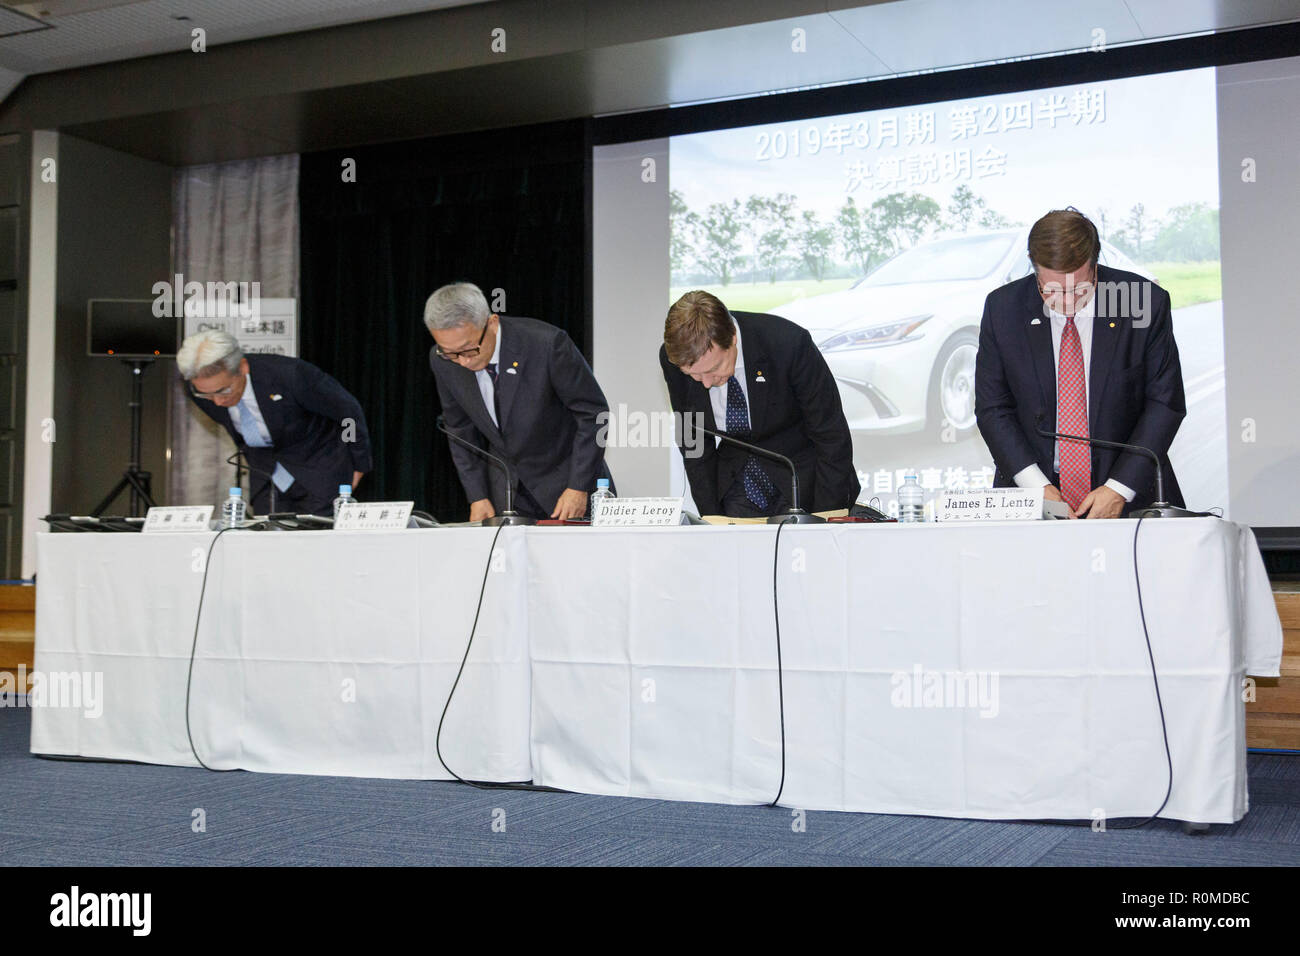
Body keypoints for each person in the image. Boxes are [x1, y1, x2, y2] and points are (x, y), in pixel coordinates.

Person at [974, 208, 1186, 517]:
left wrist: (1118, 489)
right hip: (1033, 494)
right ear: (1034, 270)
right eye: (1051, 290)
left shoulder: (1140, 300)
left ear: (1095, 267)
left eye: (1079, 289)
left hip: (1129, 494)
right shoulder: (1004, 309)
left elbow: (1164, 404)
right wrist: (1036, 486)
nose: (1067, 302)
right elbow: (993, 408)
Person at [659, 290, 860, 517]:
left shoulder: (788, 344)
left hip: (804, 479)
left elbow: (831, 435)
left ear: (732, 338)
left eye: (713, 369)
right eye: (693, 375)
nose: (705, 383)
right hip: (736, 486)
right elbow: (693, 440)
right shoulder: (671, 360)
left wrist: (827, 516)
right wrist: (711, 517)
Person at [424, 282, 613, 521]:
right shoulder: (442, 361)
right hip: (506, 495)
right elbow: (459, 430)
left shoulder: (547, 345)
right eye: (449, 352)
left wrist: (578, 486)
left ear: (491, 323)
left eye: (468, 349)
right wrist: (477, 495)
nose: (462, 362)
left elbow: (594, 414)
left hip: (569, 487)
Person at [178, 329, 372, 516]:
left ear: (243, 367)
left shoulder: (290, 375)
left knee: (316, 543)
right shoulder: (197, 391)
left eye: (223, 390)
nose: (218, 401)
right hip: (266, 475)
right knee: (269, 543)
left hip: (320, 468)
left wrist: (358, 462)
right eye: (207, 394)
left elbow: (348, 413)